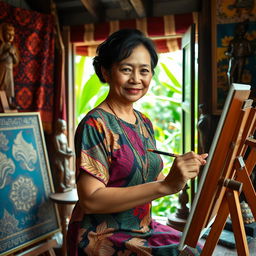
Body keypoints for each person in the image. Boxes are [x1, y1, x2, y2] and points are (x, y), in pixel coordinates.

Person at [67, 29, 208, 256]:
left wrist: (181, 173)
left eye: (144, 71)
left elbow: (147, 177)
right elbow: (91, 200)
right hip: (102, 236)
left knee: (196, 249)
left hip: (143, 228)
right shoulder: (96, 124)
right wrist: (165, 186)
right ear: (106, 71)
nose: (136, 79)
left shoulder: (143, 122)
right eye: (126, 69)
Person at [225, 20, 251, 87]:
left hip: (241, 59)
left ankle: (238, 91)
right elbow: (229, 51)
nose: (240, 31)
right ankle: (230, 89)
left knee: (239, 76)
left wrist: (242, 55)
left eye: (242, 29)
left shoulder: (246, 42)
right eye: (239, 29)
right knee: (230, 74)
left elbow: (250, 52)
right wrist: (229, 53)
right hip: (233, 59)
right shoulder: (233, 41)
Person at [0, 23, 19, 109]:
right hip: (3, 68)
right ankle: (2, 104)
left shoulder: (13, 47)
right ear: (3, 34)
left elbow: (15, 61)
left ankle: (10, 103)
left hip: (10, 69)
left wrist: (13, 54)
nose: (11, 36)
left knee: (10, 86)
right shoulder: (3, 46)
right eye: (8, 34)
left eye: (12, 35)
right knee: (2, 85)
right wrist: (8, 52)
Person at [53, 119, 74, 192]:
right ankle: (61, 184)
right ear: (59, 127)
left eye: (65, 126)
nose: (64, 128)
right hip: (59, 158)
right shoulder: (56, 137)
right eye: (62, 126)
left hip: (65, 158)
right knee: (61, 170)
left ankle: (67, 183)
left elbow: (67, 147)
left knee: (67, 171)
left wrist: (69, 151)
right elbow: (58, 150)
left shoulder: (64, 136)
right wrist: (66, 155)